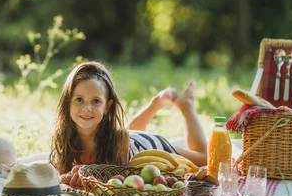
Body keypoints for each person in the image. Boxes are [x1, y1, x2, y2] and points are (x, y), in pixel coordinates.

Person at [49, 61, 208, 186]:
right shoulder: (62, 137)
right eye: (79, 100)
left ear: (107, 107)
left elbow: (117, 177)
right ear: (68, 102)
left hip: (143, 145)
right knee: (125, 132)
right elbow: (61, 174)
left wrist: (87, 171)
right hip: (123, 138)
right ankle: (157, 102)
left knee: (204, 158)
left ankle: (186, 106)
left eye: (96, 101)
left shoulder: (120, 140)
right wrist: (67, 177)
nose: (87, 109)